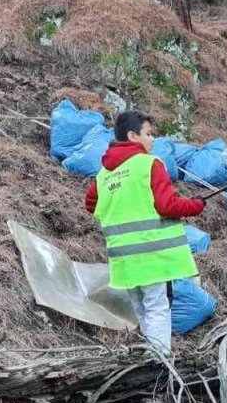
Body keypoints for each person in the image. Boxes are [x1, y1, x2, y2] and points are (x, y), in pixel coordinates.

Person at [85, 111, 205, 356]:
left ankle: (150, 359)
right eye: (148, 134)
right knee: (158, 307)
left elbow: (91, 204)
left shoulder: (104, 173)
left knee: (142, 309)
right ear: (132, 136)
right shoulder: (150, 164)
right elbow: (166, 206)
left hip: (123, 258)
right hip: (152, 254)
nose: (152, 139)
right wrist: (195, 205)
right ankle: (160, 364)